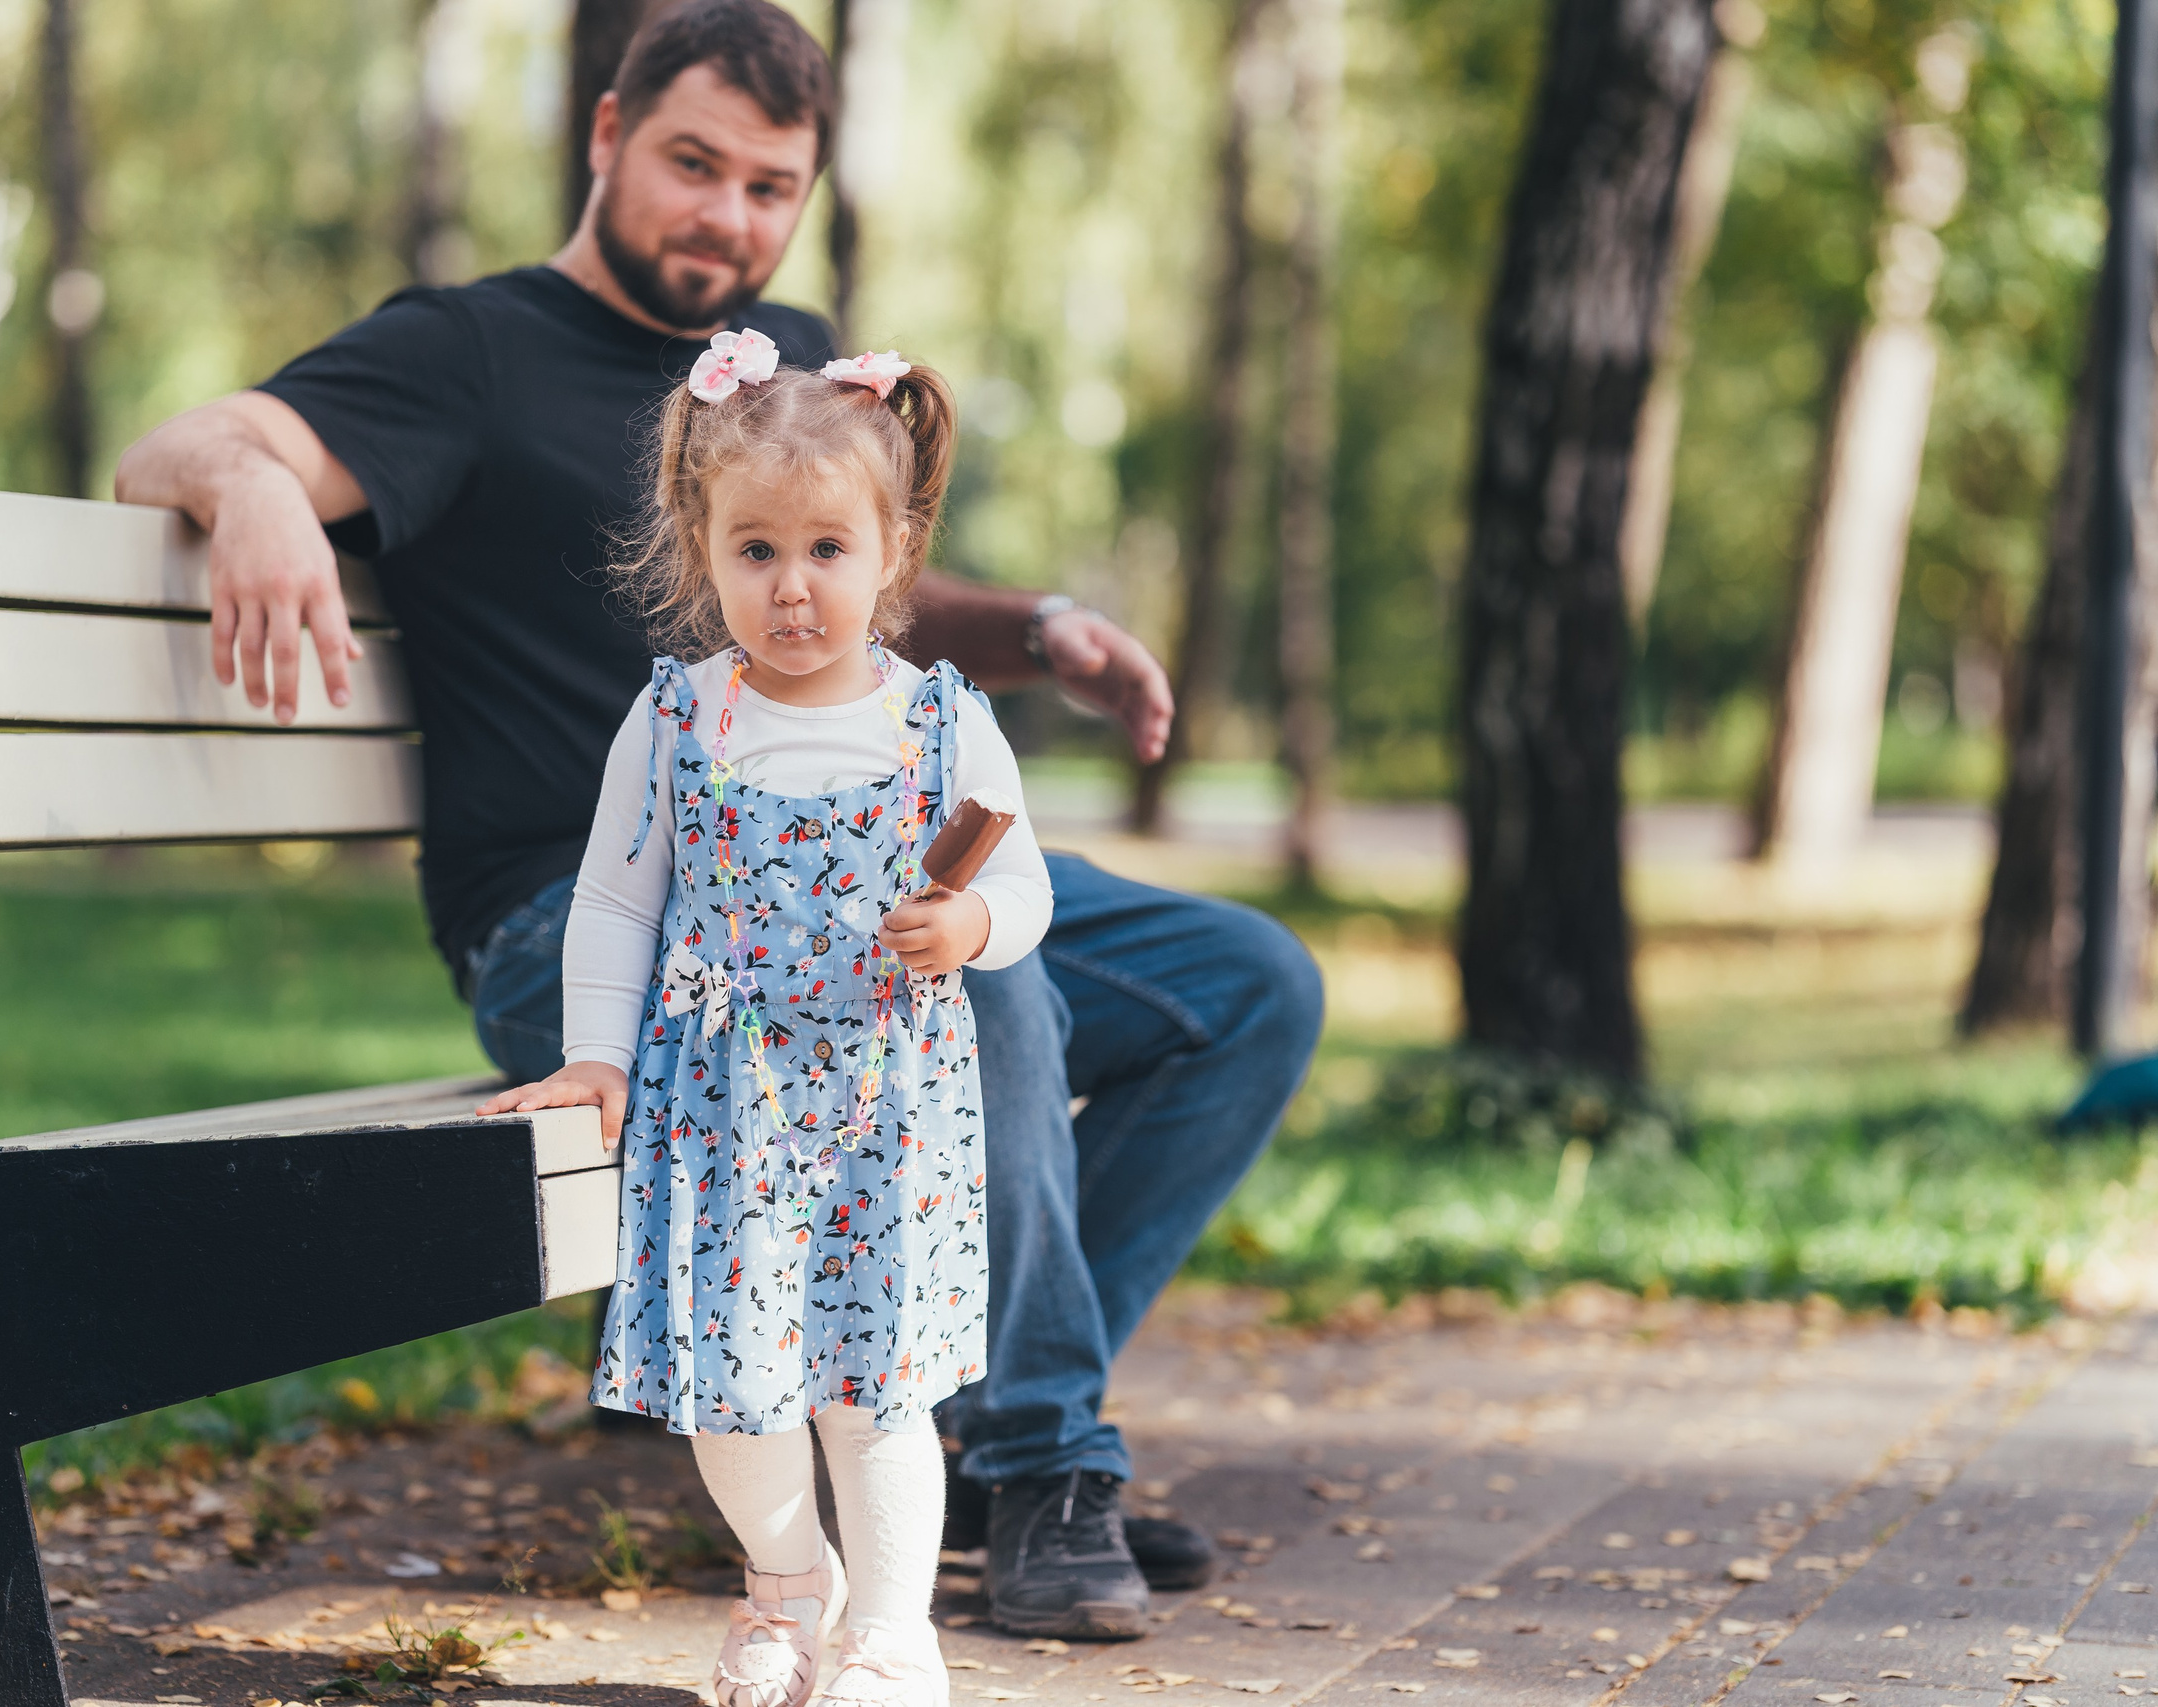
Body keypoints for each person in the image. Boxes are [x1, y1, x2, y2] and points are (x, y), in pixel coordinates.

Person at [113, 0, 1323, 1640]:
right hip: (580, 909)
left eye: (771, 187)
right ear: (607, 137)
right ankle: (1039, 1458)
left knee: (1249, 982)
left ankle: (954, 1405)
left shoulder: (783, 348)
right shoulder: (471, 347)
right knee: (976, 984)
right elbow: (174, 447)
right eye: (694, 165)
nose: (730, 218)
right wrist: (257, 486)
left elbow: (858, 562)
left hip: (860, 853)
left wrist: (1037, 634)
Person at [479, 342, 1033, 1707]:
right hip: (724, 1108)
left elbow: (1019, 887)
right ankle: (789, 1587)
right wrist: (598, 1055)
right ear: (704, 549)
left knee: (879, 1385)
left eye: (830, 548)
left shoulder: (939, 722)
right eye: (759, 549)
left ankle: (896, 1635)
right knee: (739, 1386)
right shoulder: (679, 720)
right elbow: (614, 905)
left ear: (894, 554)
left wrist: (966, 927)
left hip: (887, 1112)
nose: (795, 586)